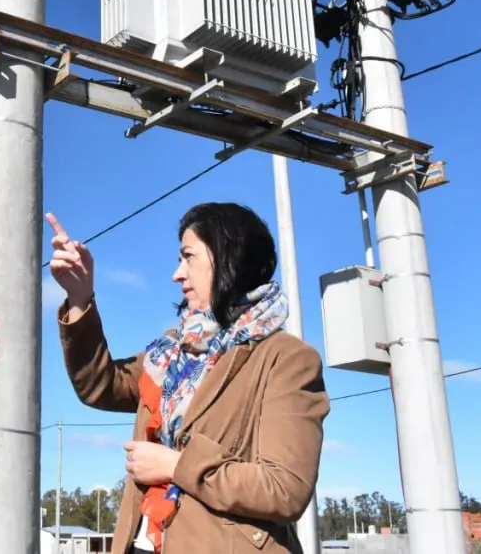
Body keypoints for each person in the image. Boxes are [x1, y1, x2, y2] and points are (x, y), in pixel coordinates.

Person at [48, 202, 329, 554]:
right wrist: (79, 298)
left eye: (188, 257)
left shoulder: (286, 358)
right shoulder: (172, 353)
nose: (176, 274)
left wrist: (177, 465)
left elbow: (284, 489)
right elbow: (100, 385)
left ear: (229, 258)